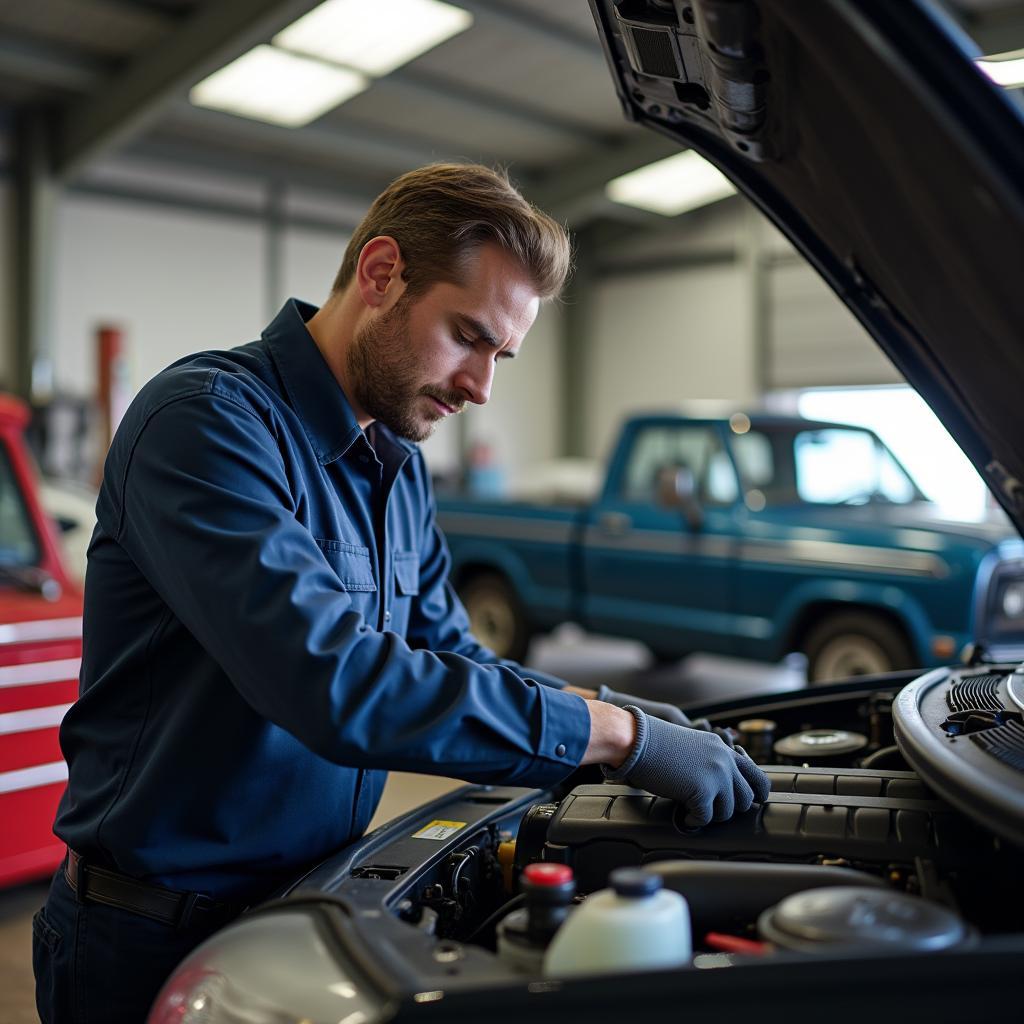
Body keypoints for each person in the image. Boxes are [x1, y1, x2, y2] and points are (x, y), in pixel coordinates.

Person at [33, 163, 769, 1023]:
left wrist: (619, 710)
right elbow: (335, 683)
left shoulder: (397, 465)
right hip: (149, 940)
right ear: (381, 275)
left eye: (501, 355)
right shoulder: (205, 425)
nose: (481, 386)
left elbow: (445, 656)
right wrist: (612, 735)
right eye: (468, 335)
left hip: (313, 911)